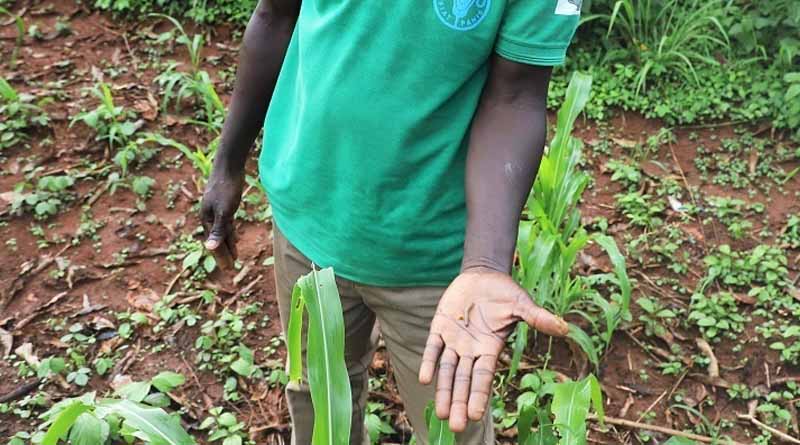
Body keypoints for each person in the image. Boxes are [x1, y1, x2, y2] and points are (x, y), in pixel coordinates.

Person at [200, 0, 581, 443]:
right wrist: (227, 163)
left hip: (434, 262)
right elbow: (276, 15)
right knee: (318, 399)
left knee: (450, 428)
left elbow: (514, 97)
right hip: (308, 221)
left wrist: (485, 264)